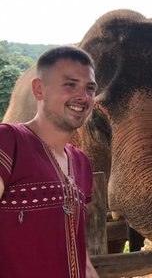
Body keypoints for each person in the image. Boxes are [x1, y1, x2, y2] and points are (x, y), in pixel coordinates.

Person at [0, 46, 100, 278]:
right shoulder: (9, 141)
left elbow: (80, 257)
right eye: (70, 84)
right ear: (39, 90)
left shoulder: (81, 162)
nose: (83, 97)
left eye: (90, 88)